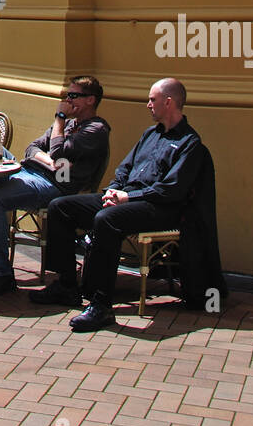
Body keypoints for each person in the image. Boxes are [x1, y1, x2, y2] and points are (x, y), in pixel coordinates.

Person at [29, 78, 204, 332]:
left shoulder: (190, 143)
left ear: (169, 102)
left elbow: (171, 189)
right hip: (127, 198)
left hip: (158, 207)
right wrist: (114, 189)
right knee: (60, 206)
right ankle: (67, 286)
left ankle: (101, 305)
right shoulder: (150, 134)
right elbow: (125, 168)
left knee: (106, 219)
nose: (148, 105)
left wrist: (127, 198)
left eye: (152, 100)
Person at [0, 76, 110, 296]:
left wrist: (60, 119)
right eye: (67, 95)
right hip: (27, 169)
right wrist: (51, 160)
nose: (67, 100)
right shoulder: (68, 126)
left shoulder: (96, 129)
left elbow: (58, 151)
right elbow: (32, 148)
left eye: (73, 96)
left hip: (53, 184)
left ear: (90, 100)